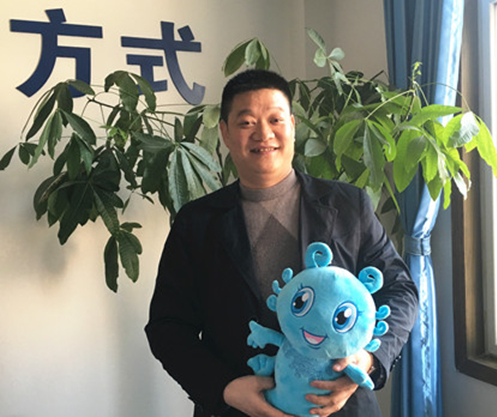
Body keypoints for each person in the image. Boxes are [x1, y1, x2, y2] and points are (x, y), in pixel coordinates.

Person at [145, 69, 418, 417]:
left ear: (292, 125)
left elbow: (400, 290)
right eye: (246, 123)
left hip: (341, 406)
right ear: (225, 133)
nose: (264, 133)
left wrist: (367, 360)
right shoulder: (196, 223)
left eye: (275, 119)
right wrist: (225, 389)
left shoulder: (349, 205)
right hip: (236, 410)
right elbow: (167, 327)